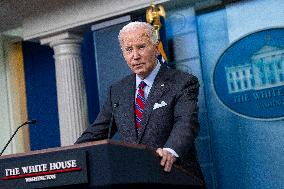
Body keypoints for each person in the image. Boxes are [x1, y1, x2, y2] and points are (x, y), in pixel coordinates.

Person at [76, 21, 205, 186]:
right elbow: (96, 132)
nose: (135, 56)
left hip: (175, 177)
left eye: (141, 47)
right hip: (136, 180)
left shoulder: (182, 82)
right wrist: (69, 156)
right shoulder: (117, 91)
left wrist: (170, 151)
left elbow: (186, 123)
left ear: (156, 48)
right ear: (123, 53)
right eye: (129, 50)